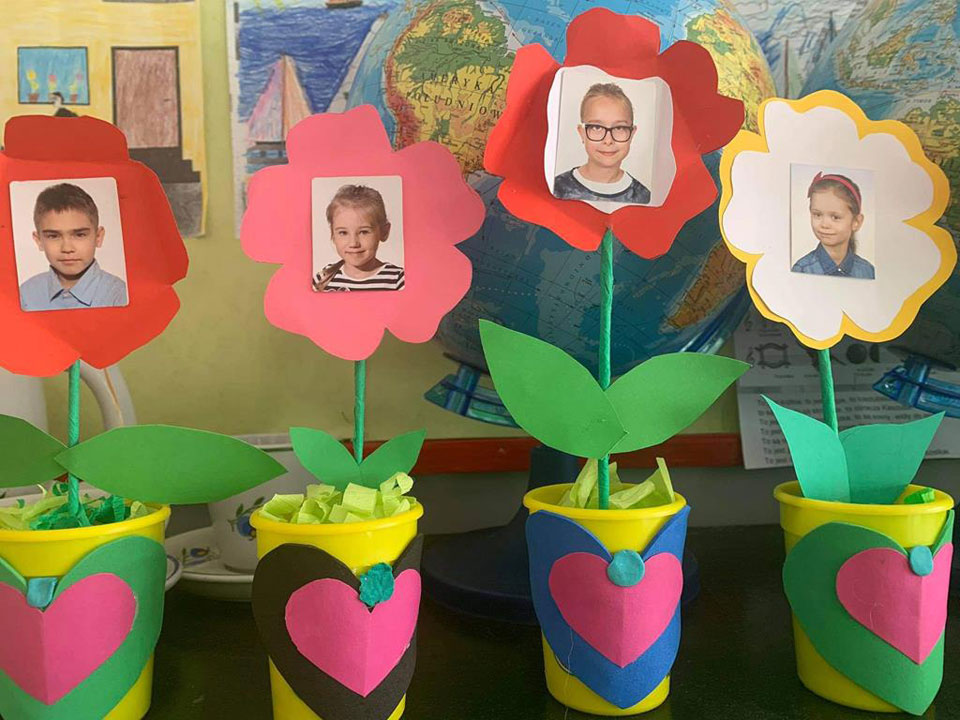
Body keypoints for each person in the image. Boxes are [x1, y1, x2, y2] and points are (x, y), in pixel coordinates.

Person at [19, 183, 127, 311]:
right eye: (53, 236)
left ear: (98, 237)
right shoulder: (25, 295)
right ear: (39, 241)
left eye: (79, 235)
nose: (67, 248)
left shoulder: (120, 295)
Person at [553, 82, 650, 205]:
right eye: (597, 128)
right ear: (582, 133)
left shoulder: (643, 197)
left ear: (632, 134)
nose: (608, 141)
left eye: (619, 128)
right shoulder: (557, 189)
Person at [313, 184, 405, 292]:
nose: (353, 243)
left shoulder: (398, 280)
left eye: (363, 232)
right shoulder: (323, 279)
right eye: (343, 233)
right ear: (333, 235)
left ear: (384, 232)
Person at [792, 172, 875, 279]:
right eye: (817, 215)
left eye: (835, 217)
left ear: (856, 222)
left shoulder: (868, 271)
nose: (824, 225)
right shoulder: (802, 270)